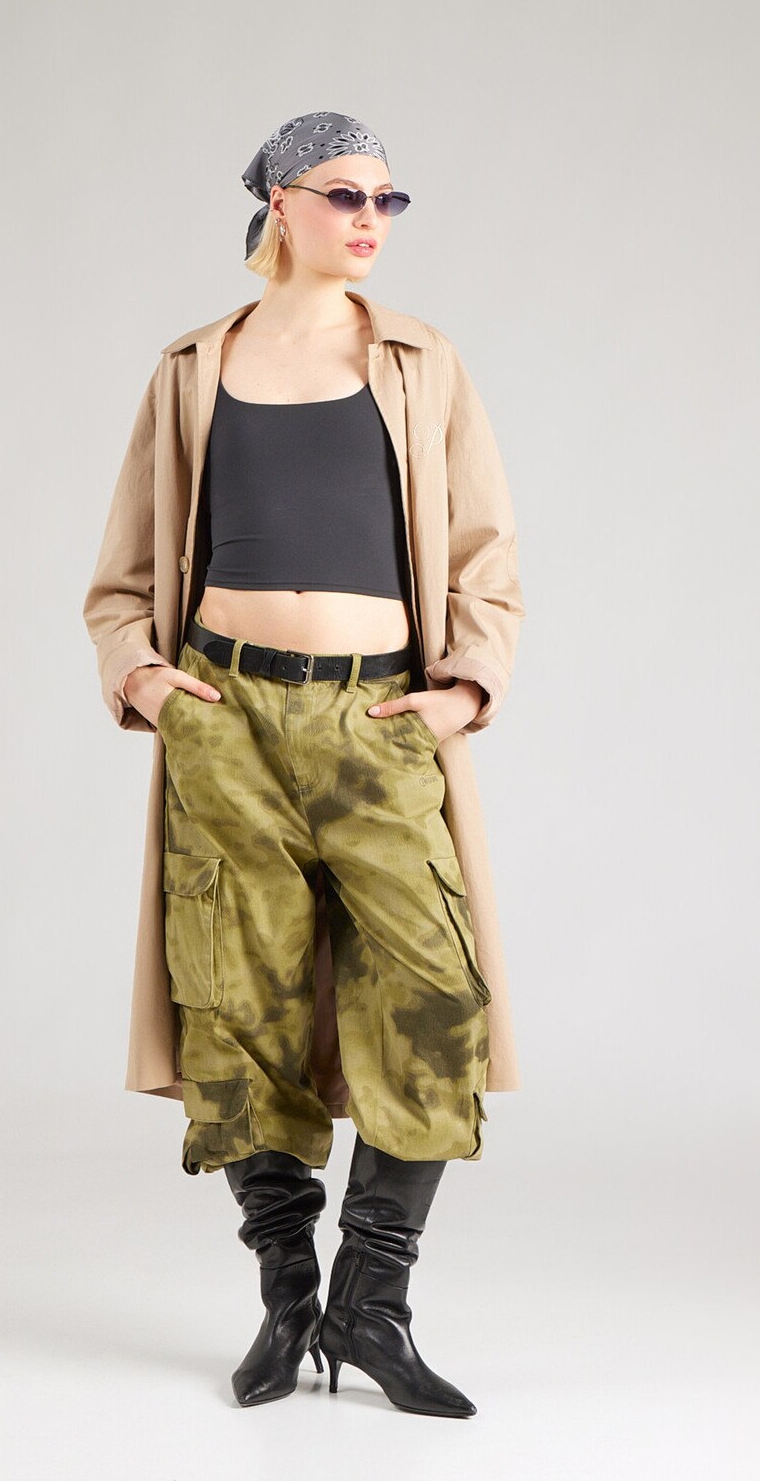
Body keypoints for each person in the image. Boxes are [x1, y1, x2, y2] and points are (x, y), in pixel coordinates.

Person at [83, 111, 524, 1418]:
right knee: (238, 1004)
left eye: (388, 199)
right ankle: (287, 1304)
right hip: (225, 718)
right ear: (280, 203)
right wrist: (140, 675)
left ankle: (372, 1307)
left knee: (434, 993)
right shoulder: (192, 368)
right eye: (345, 195)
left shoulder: (420, 361)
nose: (371, 219)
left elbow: (484, 548)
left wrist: (465, 689)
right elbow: (124, 571)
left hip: (378, 719)